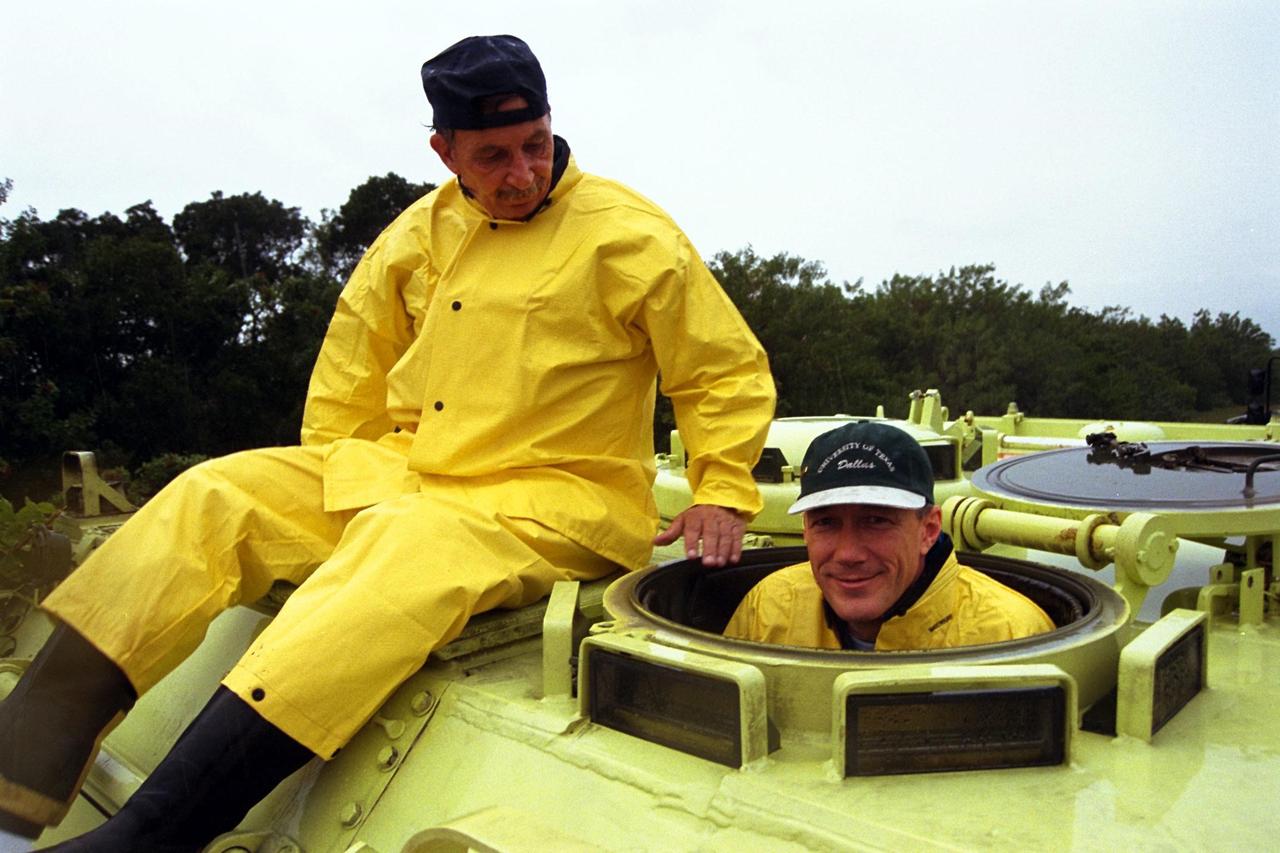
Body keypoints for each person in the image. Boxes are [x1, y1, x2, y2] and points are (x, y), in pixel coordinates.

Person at [0, 35, 774, 851]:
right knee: (211, 493)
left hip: (558, 499)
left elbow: (723, 369)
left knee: (401, 549)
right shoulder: (418, 231)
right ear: (444, 151)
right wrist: (332, 478)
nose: (521, 174)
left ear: (553, 126)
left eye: (536, 146)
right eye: (493, 155)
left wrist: (722, 487)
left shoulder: (630, 235)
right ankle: (15, 795)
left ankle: (149, 835)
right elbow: (351, 365)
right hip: (408, 474)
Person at [724, 422, 1052, 650]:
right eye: (826, 523)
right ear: (805, 530)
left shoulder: (1012, 636)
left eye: (877, 520)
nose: (848, 554)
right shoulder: (766, 611)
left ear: (929, 530)